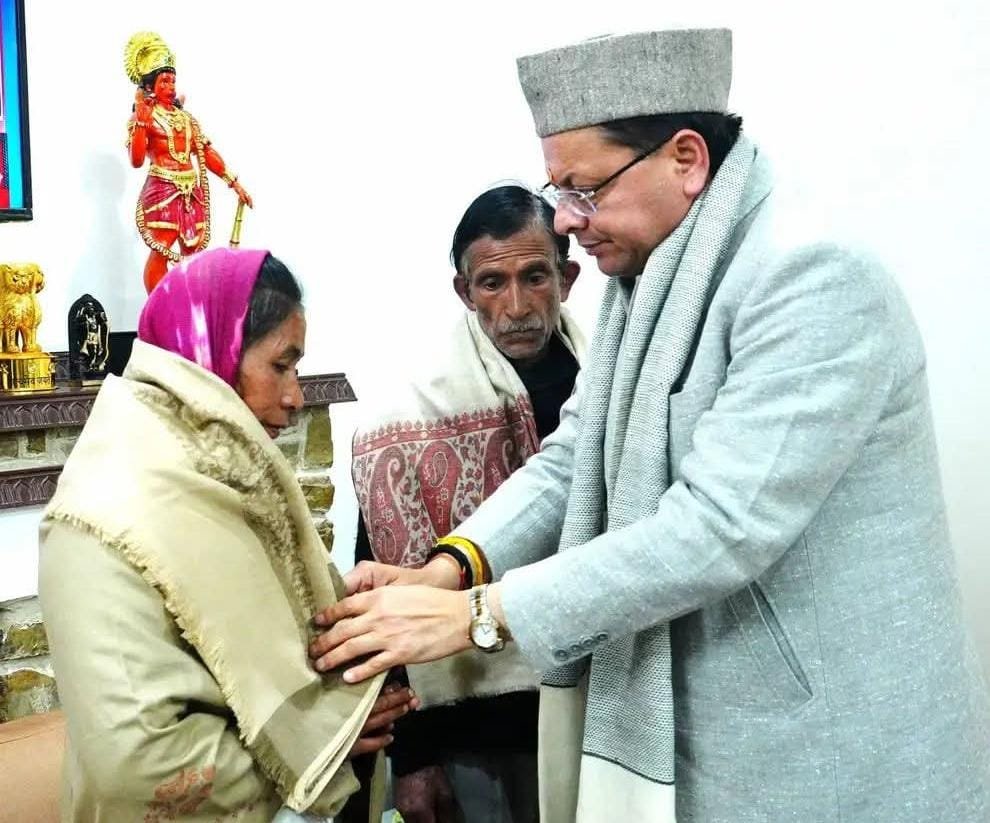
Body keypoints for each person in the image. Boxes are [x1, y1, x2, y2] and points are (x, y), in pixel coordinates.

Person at [310, 28, 990, 822]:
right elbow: (574, 456)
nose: (566, 221)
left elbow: (716, 528)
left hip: (826, 746)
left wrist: (480, 616)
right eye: (559, 190)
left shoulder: (810, 275)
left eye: (583, 190)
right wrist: (451, 568)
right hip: (710, 723)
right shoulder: (648, 277)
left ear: (686, 159)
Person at [39, 248, 417, 822]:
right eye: (281, 366)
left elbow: (247, 638)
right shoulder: (103, 513)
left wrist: (341, 601)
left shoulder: (220, 476)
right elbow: (135, 765)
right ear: (210, 352)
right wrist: (316, 748)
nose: (295, 397)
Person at [352, 184, 584, 822]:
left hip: (599, 698)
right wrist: (414, 758)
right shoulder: (407, 423)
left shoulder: (607, 385)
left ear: (566, 278)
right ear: (464, 291)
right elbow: (385, 596)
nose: (517, 306)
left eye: (535, 276)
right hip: (473, 728)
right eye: (492, 283)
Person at [124, 32, 253, 293]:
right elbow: (136, 160)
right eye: (164, 81)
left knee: (193, 252)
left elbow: (205, 151)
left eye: (173, 80)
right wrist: (142, 122)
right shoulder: (145, 118)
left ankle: (189, 304)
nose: (170, 86)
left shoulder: (186, 119)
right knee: (161, 248)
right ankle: (158, 306)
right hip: (162, 190)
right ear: (150, 86)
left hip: (191, 193)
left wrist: (234, 183)